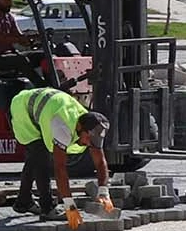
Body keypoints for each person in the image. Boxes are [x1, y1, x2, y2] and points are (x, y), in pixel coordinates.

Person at [10, 82, 111, 222]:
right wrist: (69, 205)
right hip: (24, 108)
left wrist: (103, 192)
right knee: (41, 157)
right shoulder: (63, 127)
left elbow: (100, 162)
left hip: (49, 104)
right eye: (88, 138)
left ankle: (23, 201)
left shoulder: (92, 128)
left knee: (34, 156)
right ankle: (47, 209)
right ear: (79, 128)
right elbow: (59, 168)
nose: (89, 143)